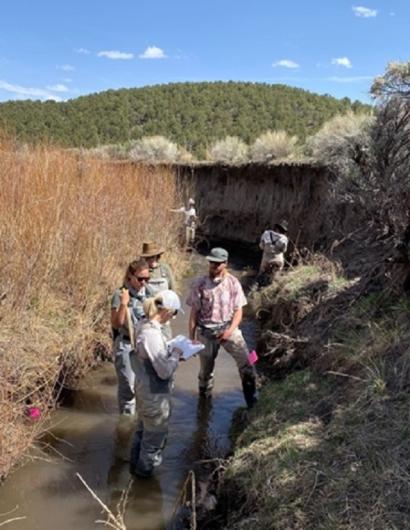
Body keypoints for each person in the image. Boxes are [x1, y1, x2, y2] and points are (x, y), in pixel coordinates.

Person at [186, 247, 257, 408]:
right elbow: (193, 313)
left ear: (225, 264)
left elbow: (239, 311)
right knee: (205, 373)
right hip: (205, 332)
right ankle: (204, 404)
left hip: (228, 329)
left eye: (218, 264)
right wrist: (192, 338)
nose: (214, 267)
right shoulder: (200, 284)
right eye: (212, 263)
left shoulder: (233, 283)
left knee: (248, 362)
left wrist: (230, 331)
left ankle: (252, 403)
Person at [129, 290, 183, 478]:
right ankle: (142, 481)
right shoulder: (152, 334)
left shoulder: (142, 324)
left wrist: (169, 354)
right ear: (167, 311)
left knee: (142, 433)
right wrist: (176, 354)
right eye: (175, 313)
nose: (173, 318)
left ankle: (133, 472)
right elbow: (164, 371)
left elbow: (153, 358)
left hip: (144, 390)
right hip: (154, 396)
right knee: (153, 442)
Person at [111, 259, 153, 415]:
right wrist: (123, 304)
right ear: (130, 277)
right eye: (140, 279)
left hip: (143, 345)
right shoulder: (120, 293)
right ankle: (126, 428)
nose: (144, 282)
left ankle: (139, 425)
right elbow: (116, 324)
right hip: (126, 346)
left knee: (143, 388)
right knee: (128, 391)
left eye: (147, 279)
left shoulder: (148, 292)